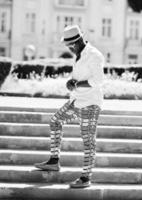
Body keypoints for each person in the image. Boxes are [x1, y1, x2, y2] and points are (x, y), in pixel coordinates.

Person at [34, 25, 105, 189]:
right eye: (68, 46)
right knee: (55, 121)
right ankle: (54, 160)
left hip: (90, 104)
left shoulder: (94, 55)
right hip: (76, 101)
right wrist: (71, 83)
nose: (70, 48)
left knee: (88, 142)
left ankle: (86, 178)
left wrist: (78, 84)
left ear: (78, 41)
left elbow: (98, 81)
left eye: (71, 45)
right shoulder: (79, 55)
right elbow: (79, 78)